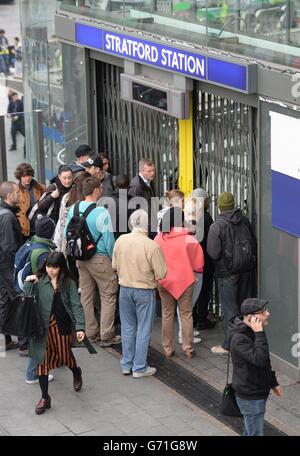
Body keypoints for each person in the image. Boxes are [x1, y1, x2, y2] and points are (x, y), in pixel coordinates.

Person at [24, 252, 85, 415]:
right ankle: (45, 397)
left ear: (61, 267)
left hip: (61, 326)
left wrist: (80, 327)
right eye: (48, 266)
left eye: (54, 267)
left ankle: (76, 372)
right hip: (41, 329)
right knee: (41, 362)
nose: (50, 270)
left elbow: (76, 305)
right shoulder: (40, 280)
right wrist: (28, 282)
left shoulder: (68, 283)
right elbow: (26, 297)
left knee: (65, 355)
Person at [65, 176, 120, 346]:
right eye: (100, 188)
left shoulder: (74, 208)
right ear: (96, 190)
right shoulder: (101, 212)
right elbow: (109, 240)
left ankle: (90, 331)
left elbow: (68, 231)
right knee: (108, 294)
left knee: (86, 297)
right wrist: (114, 260)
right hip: (100, 258)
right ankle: (106, 335)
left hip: (80, 258)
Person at [112, 209, 167, 377]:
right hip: (145, 291)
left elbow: (114, 266)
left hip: (125, 289)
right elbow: (162, 273)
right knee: (143, 329)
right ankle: (139, 367)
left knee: (128, 327)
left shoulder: (121, 240)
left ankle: (126, 364)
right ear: (147, 225)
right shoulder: (151, 245)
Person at [207, 192, 256, 354]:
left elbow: (213, 252)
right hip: (246, 270)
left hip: (227, 273)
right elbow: (253, 242)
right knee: (245, 307)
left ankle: (230, 345)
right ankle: (248, 339)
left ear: (219, 207)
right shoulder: (244, 220)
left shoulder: (217, 226)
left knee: (230, 310)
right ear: (233, 204)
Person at [228, 298, 283, 436]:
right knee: (255, 433)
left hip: (257, 391)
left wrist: (273, 382)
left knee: (250, 431)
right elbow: (259, 359)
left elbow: (265, 362)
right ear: (252, 317)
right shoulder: (240, 339)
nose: (268, 313)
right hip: (250, 396)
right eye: (263, 312)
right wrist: (259, 333)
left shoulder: (252, 332)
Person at [154, 207, 204, 359]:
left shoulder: (158, 238)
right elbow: (198, 264)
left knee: (166, 314)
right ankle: (188, 348)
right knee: (186, 314)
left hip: (164, 280)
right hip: (185, 281)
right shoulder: (190, 239)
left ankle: (168, 348)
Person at [24, 215, 56, 383]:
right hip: (40, 301)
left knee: (37, 335)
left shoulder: (33, 243)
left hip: (32, 297)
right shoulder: (43, 253)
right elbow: (47, 278)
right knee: (39, 336)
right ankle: (32, 373)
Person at [0, 181, 23, 350]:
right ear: (9, 195)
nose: (19, 194)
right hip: (7, 264)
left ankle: (5, 340)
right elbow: (9, 246)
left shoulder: (5, 213)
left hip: (4, 264)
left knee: (5, 300)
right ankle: (23, 343)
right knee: (18, 300)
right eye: (16, 191)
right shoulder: (7, 216)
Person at [189, 189, 215, 331]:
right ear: (205, 203)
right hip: (204, 260)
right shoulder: (206, 218)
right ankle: (202, 319)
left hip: (191, 261)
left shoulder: (189, 217)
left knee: (193, 291)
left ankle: (193, 317)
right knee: (204, 290)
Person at [14, 163, 45, 240]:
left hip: (38, 227)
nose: (27, 178)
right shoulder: (15, 191)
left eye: (29, 175)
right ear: (20, 177)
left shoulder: (40, 188)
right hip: (23, 230)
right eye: (24, 176)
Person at [128, 158, 157, 237]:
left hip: (149, 224)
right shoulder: (136, 186)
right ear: (141, 171)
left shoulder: (148, 181)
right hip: (142, 227)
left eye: (153, 170)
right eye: (149, 171)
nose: (153, 173)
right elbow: (132, 209)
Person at [109, 174, 133, 240]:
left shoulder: (108, 202)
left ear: (115, 184)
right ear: (129, 186)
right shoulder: (132, 203)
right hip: (128, 240)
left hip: (114, 240)